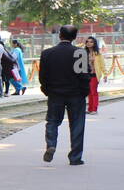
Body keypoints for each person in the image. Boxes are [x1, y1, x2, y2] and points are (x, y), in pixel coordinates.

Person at [37, 25, 88, 165]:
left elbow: (42, 76)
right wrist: (84, 92)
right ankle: (75, 158)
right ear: (75, 37)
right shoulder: (80, 53)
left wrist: (47, 90)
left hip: (55, 94)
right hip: (76, 95)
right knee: (77, 124)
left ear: (60, 35)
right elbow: (84, 75)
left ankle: (51, 144)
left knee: (52, 121)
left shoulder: (47, 53)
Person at [84, 36, 108, 114]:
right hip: (86, 75)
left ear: (94, 43)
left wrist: (105, 74)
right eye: (87, 41)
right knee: (89, 92)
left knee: (93, 92)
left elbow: (102, 65)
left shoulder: (98, 54)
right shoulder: (83, 52)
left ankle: (94, 109)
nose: (89, 43)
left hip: (94, 75)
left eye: (91, 42)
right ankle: (90, 109)